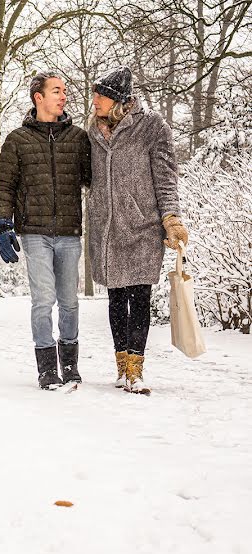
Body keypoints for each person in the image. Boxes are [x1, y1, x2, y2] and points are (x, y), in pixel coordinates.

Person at [86, 66, 189, 394]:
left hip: (143, 226)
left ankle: (136, 370)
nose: (94, 101)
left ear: (116, 99)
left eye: (99, 95)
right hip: (107, 229)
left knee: (139, 296)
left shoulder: (152, 127)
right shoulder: (91, 131)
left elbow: (165, 175)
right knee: (116, 297)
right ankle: (121, 367)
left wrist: (171, 217)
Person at [0, 72, 92, 390]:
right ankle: (47, 367)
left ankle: (70, 365)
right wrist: (3, 225)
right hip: (34, 232)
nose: (63, 96)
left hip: (68, 232)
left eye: (64, 91)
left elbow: (95, 181)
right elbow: (4, 185)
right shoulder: (17, 140)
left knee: (69, 302)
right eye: (56, 91)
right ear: (39, 97)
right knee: (42, 300)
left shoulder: (78, 138)